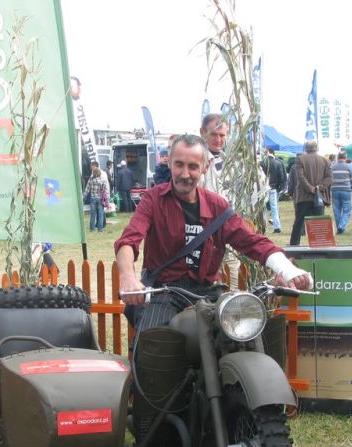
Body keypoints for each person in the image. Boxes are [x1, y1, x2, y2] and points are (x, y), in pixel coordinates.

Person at [115, 134, 312, 338]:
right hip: (164, 291)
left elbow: (251, 241)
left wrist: (286, 269)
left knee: (248, 335)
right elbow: (129, 240)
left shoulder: (217, 206)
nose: (185, 173)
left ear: (204, 168)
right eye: (179, 165)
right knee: (153, 341)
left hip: (207, 292)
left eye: (193, 166)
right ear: (170, 164)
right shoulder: (153, 199)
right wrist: (128, 276)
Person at [289, 140, 332, 246]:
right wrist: (319, 188)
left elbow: (300, 177)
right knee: (319, 223)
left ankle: (294, 246)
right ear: (316, 148)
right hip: (319, 197)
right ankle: (320, 245)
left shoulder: (300, 159)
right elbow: (330, 177)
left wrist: (310, 188)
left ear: (305, 148)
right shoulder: (325, 160)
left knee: (298, 223)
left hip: (303, 197)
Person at [199, 113, 229, 194]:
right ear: (202, 132)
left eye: (222, 135)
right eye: (213, 134)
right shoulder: (196, 161)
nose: (218, 140)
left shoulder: (229, 161)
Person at [261, 147, 286, 233]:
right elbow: (281, 177)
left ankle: (262, 226)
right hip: (274, 188)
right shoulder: (278, 163)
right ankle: (277, 226)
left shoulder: (262, 163)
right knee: (274, 207)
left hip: (263, 188)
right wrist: (279, 187)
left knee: (263, 207)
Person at [330, 150, 352, 235]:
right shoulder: (349, 166)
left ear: (338, 157)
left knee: (336, 210)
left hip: (334, 190)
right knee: (346, 210)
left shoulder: (332, 166)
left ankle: (339, 228)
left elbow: (330, 178)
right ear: (345, 157)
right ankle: (341, 226)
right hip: (346, 190)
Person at [85, 164, 107, 233]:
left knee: (93, 214)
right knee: (100, 214)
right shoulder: (103, 180)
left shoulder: (91, 180)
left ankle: (92, 228)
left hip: (93, 198)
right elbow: (104, 190)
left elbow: (87, 190)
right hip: (100, 199)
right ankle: (100, 229)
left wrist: (83, 198)